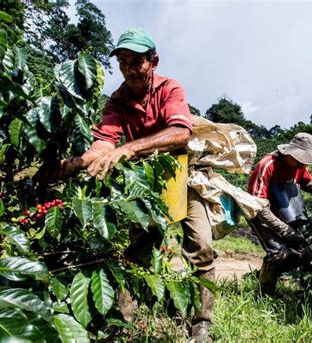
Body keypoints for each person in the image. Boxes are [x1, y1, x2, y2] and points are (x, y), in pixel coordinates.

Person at [54, 28, 214, 342]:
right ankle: (122, 322)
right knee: (137, 251)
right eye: (123, 62)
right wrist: (69, 166)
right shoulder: (117, 100)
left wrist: (128, 149)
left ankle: (202, 323)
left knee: (202, 246)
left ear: (153, 61)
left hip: (181, 171)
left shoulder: (170, 88)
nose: (130, 69)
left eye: (137, 61)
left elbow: (181, 132)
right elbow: (103, 144)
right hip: (146, 180)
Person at [247, 132, 312, 295]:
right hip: (260, 215)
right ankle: (263, 294)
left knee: (304, 253)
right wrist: (286, 232)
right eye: (300, 159)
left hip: (286, 214)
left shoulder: (299, 165)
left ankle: (266, 273)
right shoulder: (268, 165)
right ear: (289, 152)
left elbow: (307, 182)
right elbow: (258, 207)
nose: (303, 164)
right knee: (278, 253)